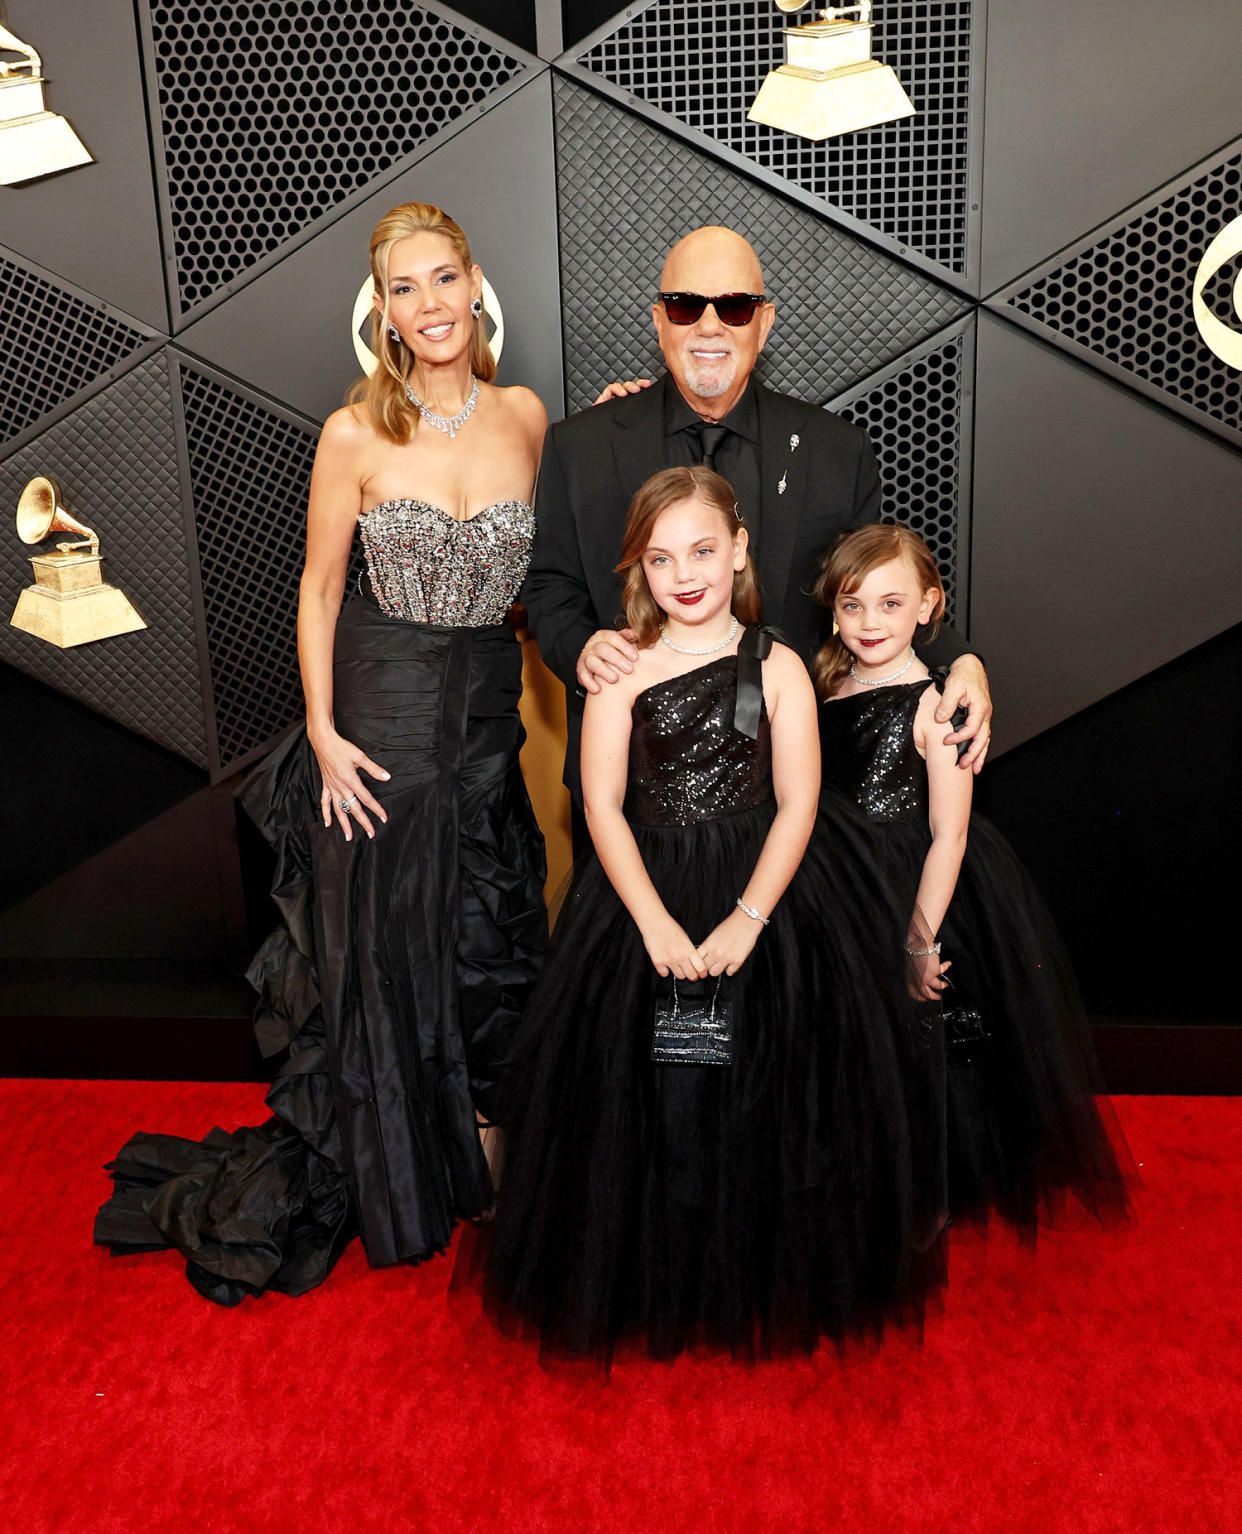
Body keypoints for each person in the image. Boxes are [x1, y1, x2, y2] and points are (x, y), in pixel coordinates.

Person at [95, 203, 549, 1304]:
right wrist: (325, 733)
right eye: (406, 288)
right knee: (385, 940)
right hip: (382, 714)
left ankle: (478, 1145)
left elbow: (558, 563)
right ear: (383, 312)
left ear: (474, 285)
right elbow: (318, 588)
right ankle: (400, 1162)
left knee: (485, 934)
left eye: (445, 279)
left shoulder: (530, 416)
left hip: (488, 716)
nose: (430, 305)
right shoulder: (352, 433)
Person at [473, 467, 945, 1363]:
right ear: (636, 567)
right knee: (644, 1096)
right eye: (659, 557)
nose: (683, 573)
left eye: (700, 550)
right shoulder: (618, 664)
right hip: (640, 896)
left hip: (767, 895)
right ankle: (657, 1274)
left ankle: (760, 1268)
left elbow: (801, 801)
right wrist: (650, 922)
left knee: (770, 1091)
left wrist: (749, 918)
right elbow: (603, 806)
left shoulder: (780, 667)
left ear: (738, 551)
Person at [523, 224, 992, 852]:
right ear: (660, 321)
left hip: (796, 798)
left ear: (763, 323)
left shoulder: (836, 451)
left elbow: (876, 585)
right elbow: (550, 581)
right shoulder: (579, 446)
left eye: (735, 307)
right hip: (631, 796)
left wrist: (959, 659)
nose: (710, 327)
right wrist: (581, 649)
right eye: (688, 306)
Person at [813, 524, 1132, 1231]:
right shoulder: (825, 683)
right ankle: (854, 1172)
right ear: (832, 608)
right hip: (834, 881)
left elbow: (949, 835)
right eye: (852, 604)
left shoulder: (936, 704)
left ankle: (924, 1185)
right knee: (846, 1035)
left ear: (929, 606)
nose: (870, 622)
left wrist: (920, 938)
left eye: (891, 605)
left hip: (916, 887)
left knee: (919, 1043)